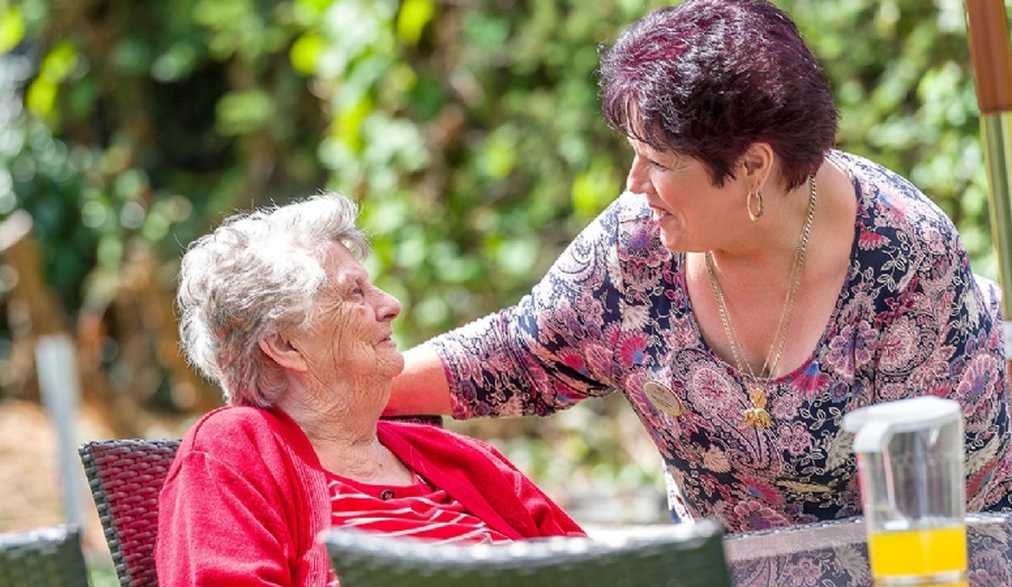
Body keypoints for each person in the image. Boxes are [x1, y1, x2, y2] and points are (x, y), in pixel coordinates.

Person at [387, 0, 1012, 532]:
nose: (635, 186)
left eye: (657, 162)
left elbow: (920, 504)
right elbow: (518, 357)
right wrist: (350, 383)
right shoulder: (636, 247)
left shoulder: (906, 257)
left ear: (752, 167)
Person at [155, 194, 584, 586]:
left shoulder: (461, 460)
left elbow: (601, 571)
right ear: (286, 345)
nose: (391, 304)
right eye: (354, 293)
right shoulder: (234, 449)